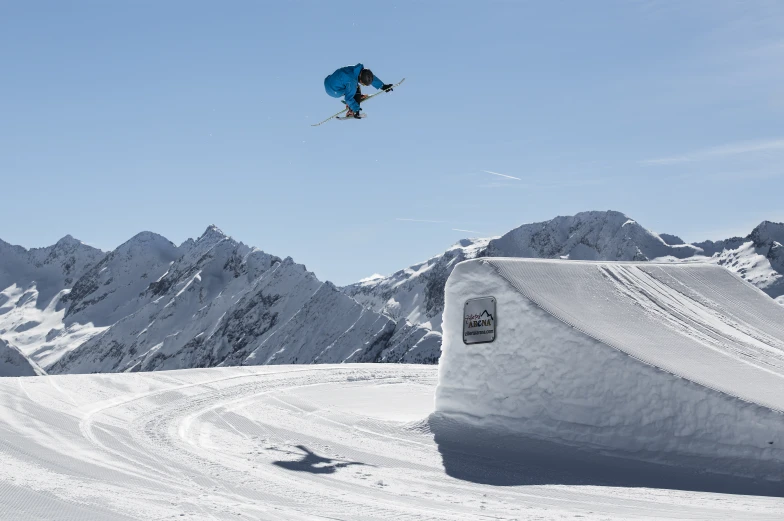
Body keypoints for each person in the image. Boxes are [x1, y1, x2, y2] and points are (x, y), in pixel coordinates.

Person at [323, 63, 393, 119]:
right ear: (361, 80)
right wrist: (356, 110)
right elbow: (348, 98)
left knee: (351, 88)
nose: (363, 84)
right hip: (334, 91)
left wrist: (383, 86)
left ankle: (356, 97)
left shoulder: (357, 70)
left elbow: (370, 77)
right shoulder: (352, 81)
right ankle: (351, 110)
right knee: (355, 88)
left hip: (328, 81)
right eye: (363, 84)